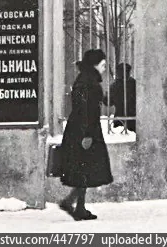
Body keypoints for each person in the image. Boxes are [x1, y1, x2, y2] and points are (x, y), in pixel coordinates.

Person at [58, 49, 113, 221]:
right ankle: (70, 202)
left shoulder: (87, 80)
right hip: (84, 131)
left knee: (85, 168)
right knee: (85, 167)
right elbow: (85, 110)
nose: (104, 68)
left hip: (82, 129)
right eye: (103, 65)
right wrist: (87, 134)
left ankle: (78, 206)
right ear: (95, 65)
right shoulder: (88, 82)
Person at [109, 63, 136, 133]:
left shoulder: (114, 85)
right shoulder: (134, 83)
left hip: (119, 119)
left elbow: (108, 103)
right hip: (133, 119)